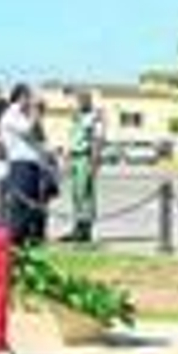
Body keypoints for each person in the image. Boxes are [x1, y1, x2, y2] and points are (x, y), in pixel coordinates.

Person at [0, 84, 48, 245]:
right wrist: (35, 112)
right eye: (29, 97)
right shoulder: (11, 114)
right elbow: (27, 130)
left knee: (32, 208)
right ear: (21, 97)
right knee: (21, 208)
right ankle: (15, 243)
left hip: (32, 165)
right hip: (20, 165)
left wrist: (38, 116)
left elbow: (40, 136)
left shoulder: (25, 115)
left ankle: (28, 239)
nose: (31, 101)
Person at [66, 91, 105, 243]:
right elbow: (72, 139)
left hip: (85, 156)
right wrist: (69, 158)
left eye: (84, 100)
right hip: (75, 157)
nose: (80, 103)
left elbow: (98, 140)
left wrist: (95, 161)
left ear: (89, 102)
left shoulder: (95, 118)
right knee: (75, 194)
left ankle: (86, 229)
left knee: (85, 194)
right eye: (79, 100)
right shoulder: (77, 118)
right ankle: (77, 226)